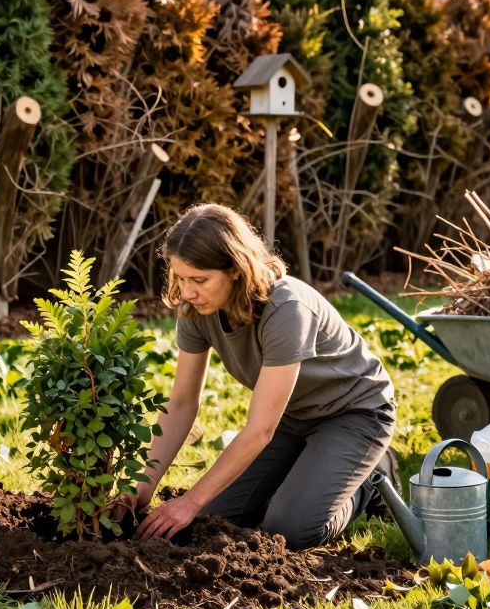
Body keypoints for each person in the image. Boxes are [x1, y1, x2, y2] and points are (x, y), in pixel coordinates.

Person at [126, 204, 398, 549]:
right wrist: (143, 485)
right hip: (292, 417)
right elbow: (180, 403)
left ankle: (371, 479)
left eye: (199, 280)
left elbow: (260, 429)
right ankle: (308, 476)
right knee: (211, 520)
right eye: (180, 278)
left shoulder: (285, 309)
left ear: (237, 270)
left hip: (354, 414)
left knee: (289, 530)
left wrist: (189, 500)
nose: (188, 292)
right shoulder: (195, 309)